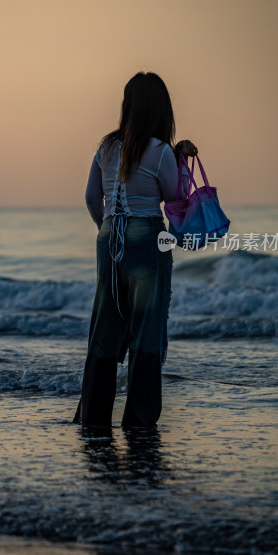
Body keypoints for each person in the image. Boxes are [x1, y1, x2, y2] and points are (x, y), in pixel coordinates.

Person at [73, 71, 197, 428]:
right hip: (147, 238)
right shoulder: (159, 151)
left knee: (105, 329)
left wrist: (109, 229)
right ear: (161, 110)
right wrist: (181, 162)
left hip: (109, 236)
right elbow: (177, 200)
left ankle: (93, 419)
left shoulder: (107, 147)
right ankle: (138, 422)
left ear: (127, 106)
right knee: (147, 331)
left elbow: (91, 198)